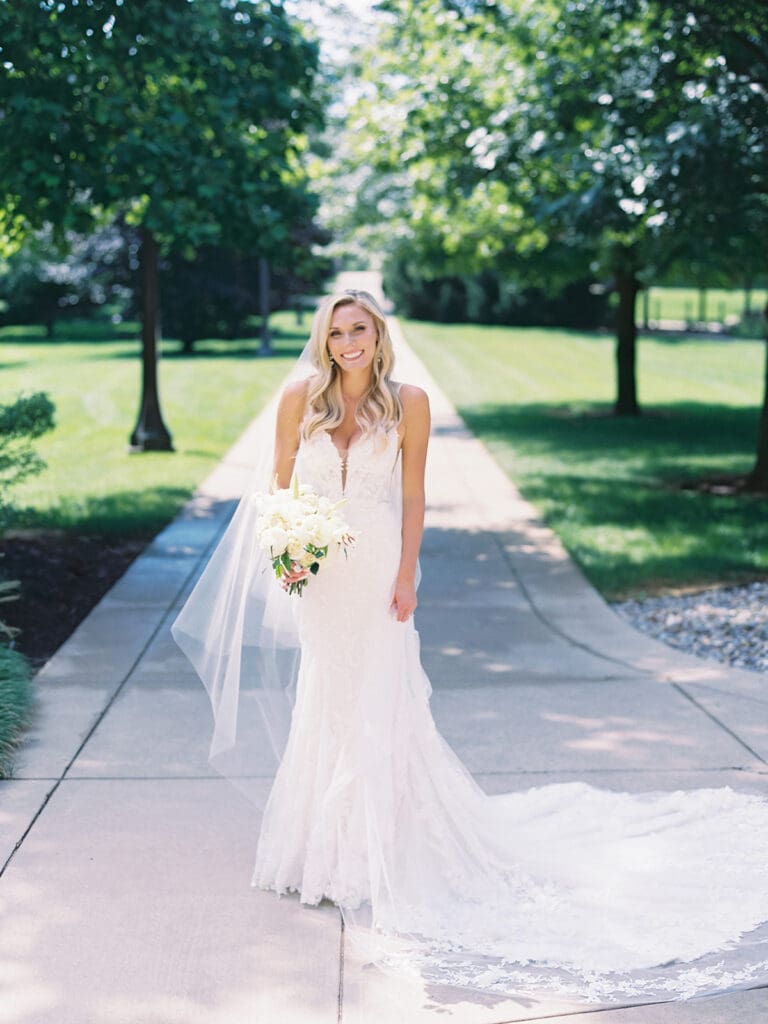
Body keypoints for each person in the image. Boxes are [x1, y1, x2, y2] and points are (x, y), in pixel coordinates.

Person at [174, 289, 768, 1005]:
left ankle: (381, 849)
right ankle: (322, 850)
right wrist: (285, 555)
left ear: (378, 334)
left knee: (381, 701)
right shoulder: (301, 398)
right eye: (336, 332)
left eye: (359, 329)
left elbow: (415, 498)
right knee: (326, 696)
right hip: (320, 579)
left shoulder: (408, 403)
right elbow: (274, 485)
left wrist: (405, 576)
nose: (347, 342)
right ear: (324, 339)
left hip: (377, 573)